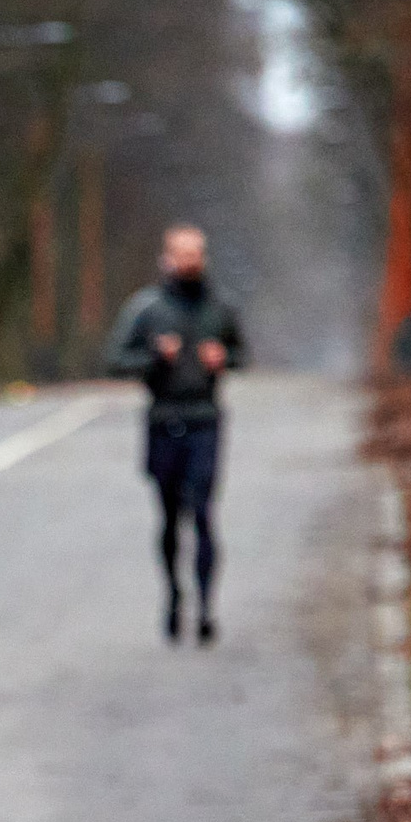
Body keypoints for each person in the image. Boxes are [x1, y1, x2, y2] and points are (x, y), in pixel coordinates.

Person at [108, 224, 247, 644]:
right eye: (182, 254)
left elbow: (242, 353)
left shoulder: (220, 307)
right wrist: (154, 357)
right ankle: (174, 594)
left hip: (205, 421)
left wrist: (224, 359)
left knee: (203, 514)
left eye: (196, 254)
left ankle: (206, 608)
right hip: (162, 422)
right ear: (166, 259)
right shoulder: (147, 309)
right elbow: (115, 359)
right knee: (169, 519)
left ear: (204, 258)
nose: (189, 262)